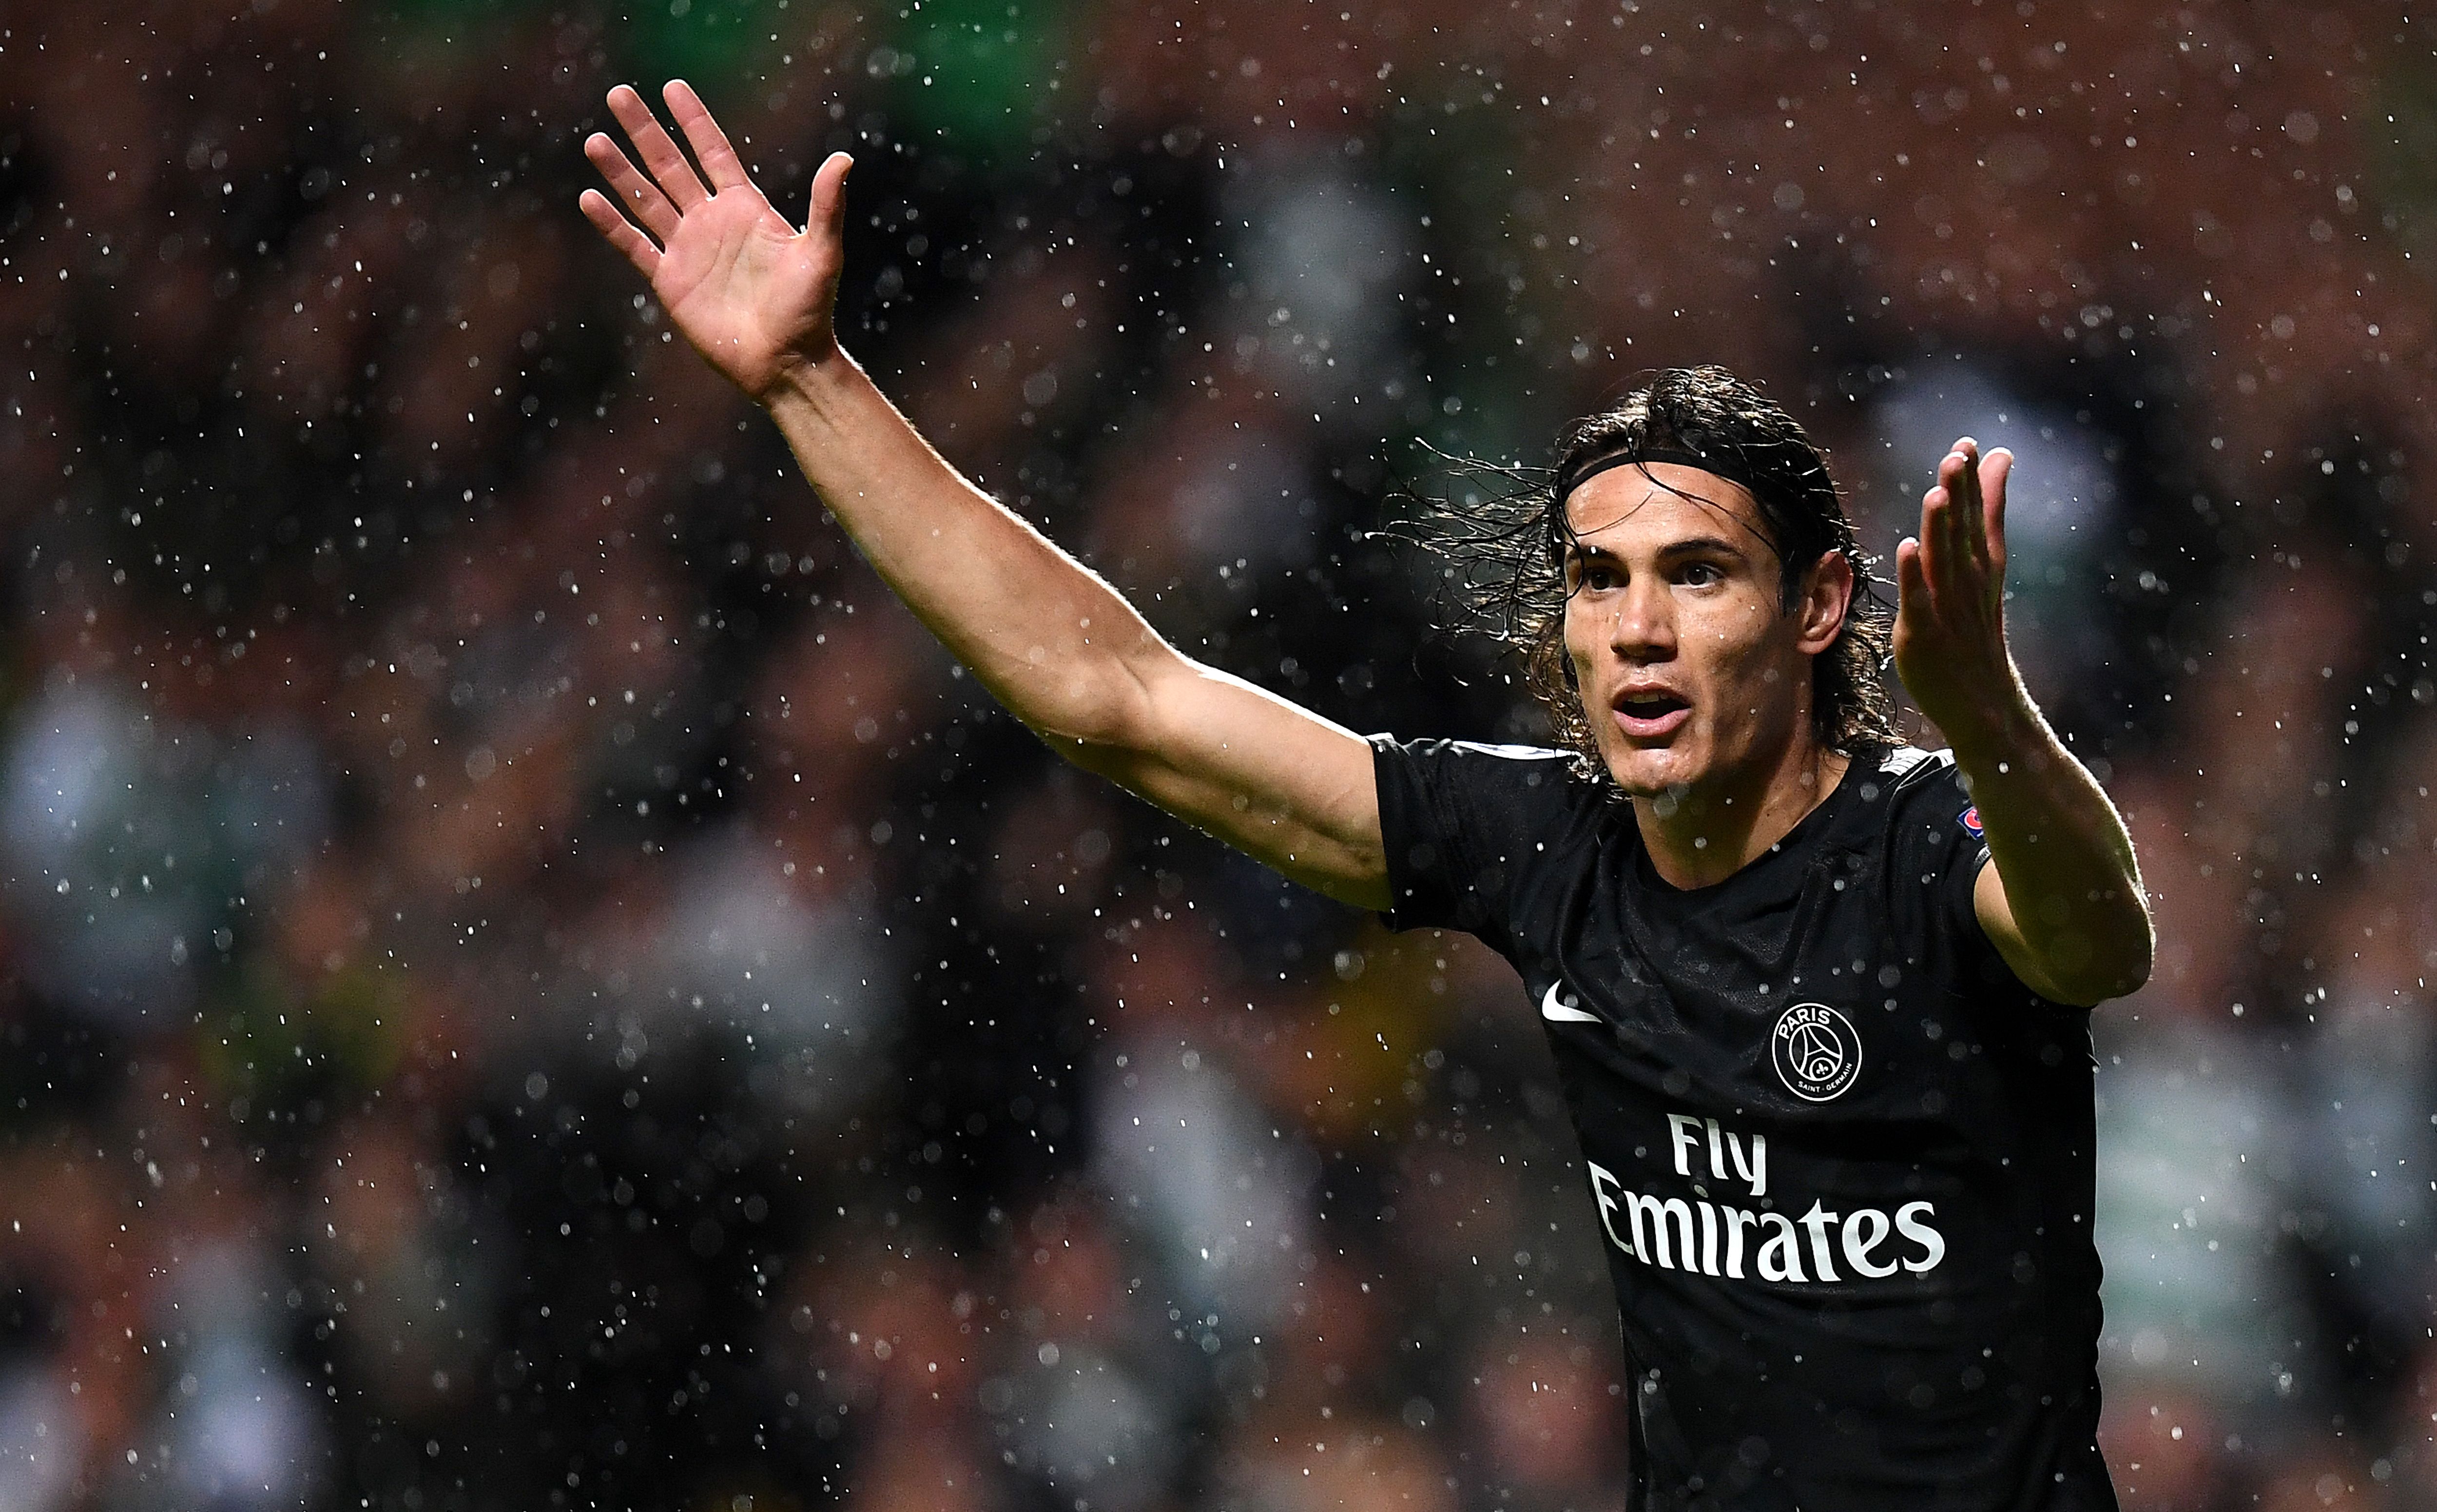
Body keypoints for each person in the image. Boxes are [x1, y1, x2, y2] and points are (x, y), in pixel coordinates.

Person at [579, 80, 2153, 1510]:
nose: (1639, 628)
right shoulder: (1548, 848)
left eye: (1698, 575)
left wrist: (1996, 723)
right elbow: (1118, 696)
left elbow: (2098, 938)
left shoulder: (1927, 832)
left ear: (1819, 610)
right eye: (1598, 582)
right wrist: (808, 380)